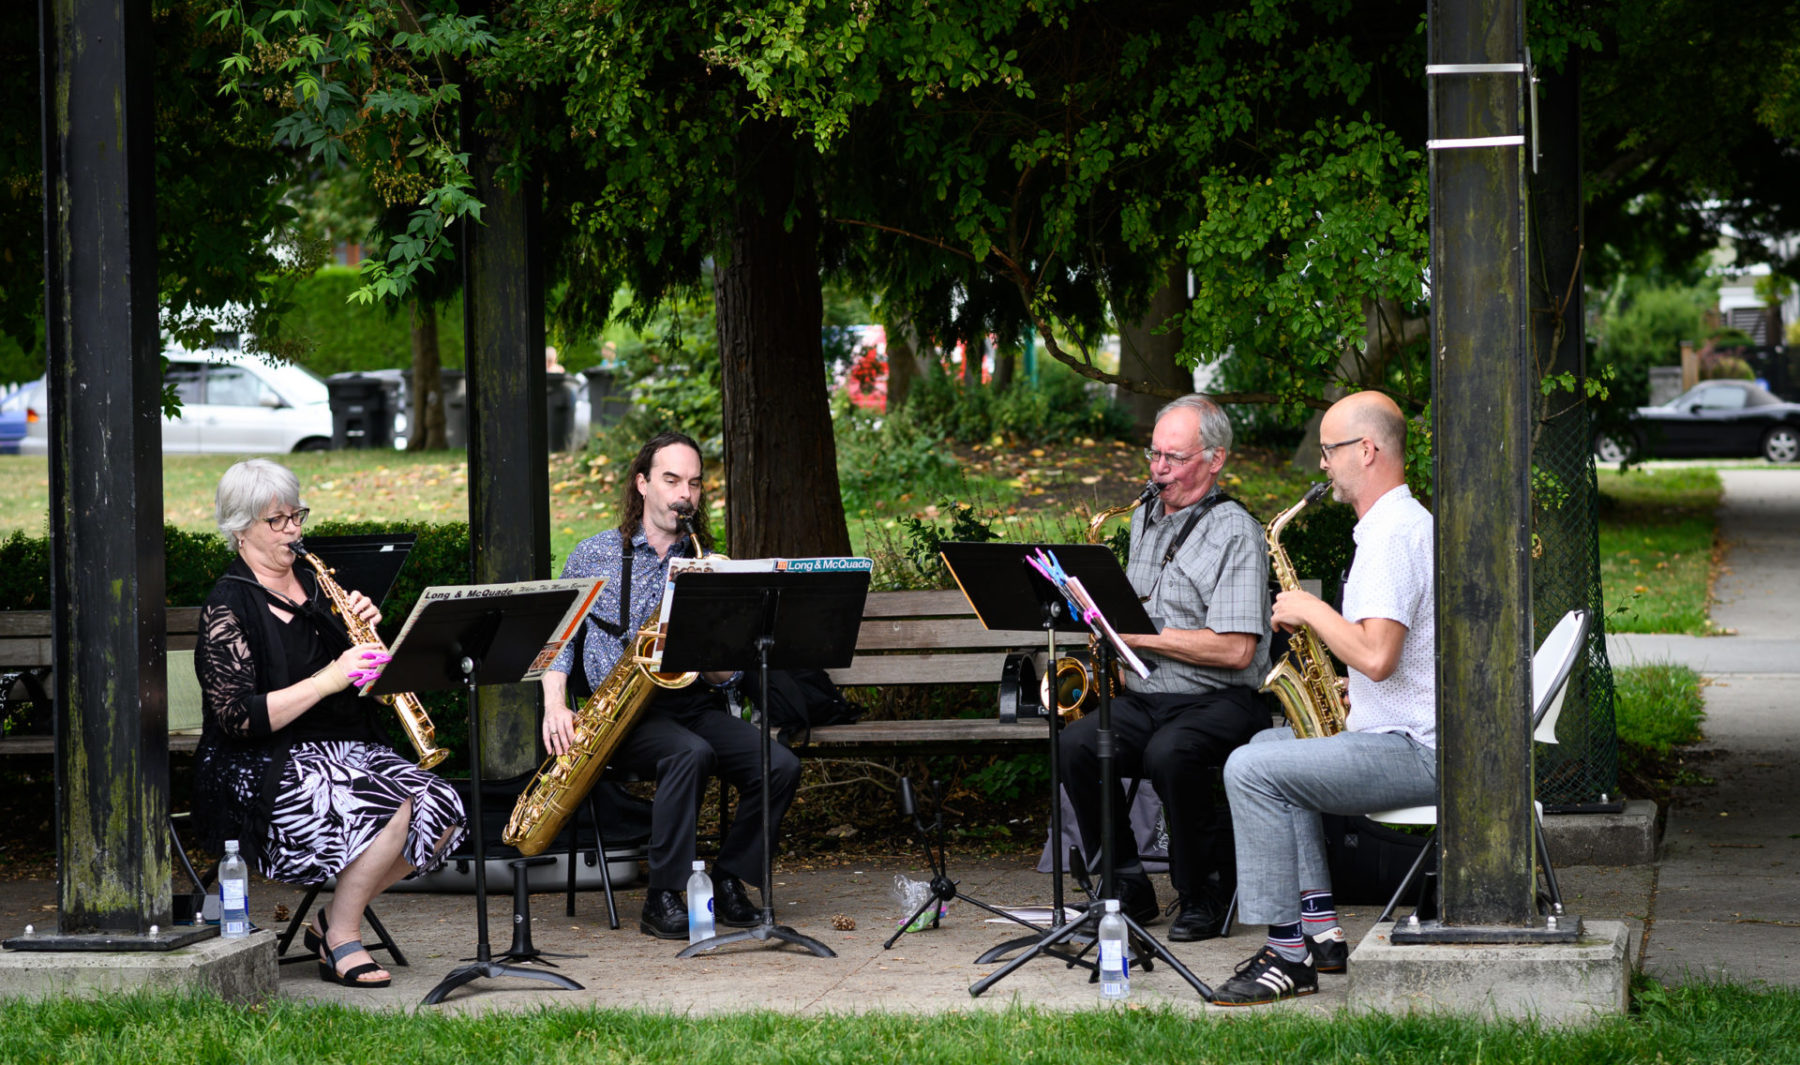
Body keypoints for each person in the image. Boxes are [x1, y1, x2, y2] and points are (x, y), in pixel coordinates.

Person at [191, 459, 467, 989]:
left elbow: (362, 686)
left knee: (445, 811)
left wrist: (364, 634)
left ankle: (328, 920)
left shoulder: (321, 587)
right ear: (240, 527)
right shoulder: (228, 605)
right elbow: (236, 718)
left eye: (297, 515)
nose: (294, 529)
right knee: (392, 806)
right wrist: (329, 677)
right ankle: (343, 935)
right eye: (278, 520)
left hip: (343, 748)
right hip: (262, 762)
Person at [1211, 390, 1435, 1006]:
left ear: (1368, 451)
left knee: (1250, 769)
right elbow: (1389, 662)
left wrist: (1311, 609)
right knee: (1268, 744)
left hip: (1417, 750)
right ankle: (1319, 929)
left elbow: (1376, 655)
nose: (1322, 464)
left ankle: (1286, 956)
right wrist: (1346, 688)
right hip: (1405, 730)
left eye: (1330, 449)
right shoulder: (1398, 526)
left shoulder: (1392, 536)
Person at [541, 430, 801, 939]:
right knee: (689, 754)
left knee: (780, 765)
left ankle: (727, 881)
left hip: (692, 705)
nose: (685, 494)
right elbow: (558, 641)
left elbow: (729, 676)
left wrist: (713, 649)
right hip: (619, 715)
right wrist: (555, 703)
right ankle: (662, 895)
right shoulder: (592, 554)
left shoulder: (709, 563)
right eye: (672, 480)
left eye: (695, 484)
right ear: (642, 484)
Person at [1057, 394, 1272, 942]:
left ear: (1215, 459)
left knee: (1169, 755)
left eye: (1173, 458)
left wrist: (1137, 635)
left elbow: (1236, 651)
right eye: (1154, 454)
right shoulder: (1145, 517)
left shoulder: (1237, 531)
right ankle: (1125, 889)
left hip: (1222, 699)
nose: (1158, 469)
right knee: (1078, 745)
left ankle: (1206, 890)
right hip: (1148, 694)